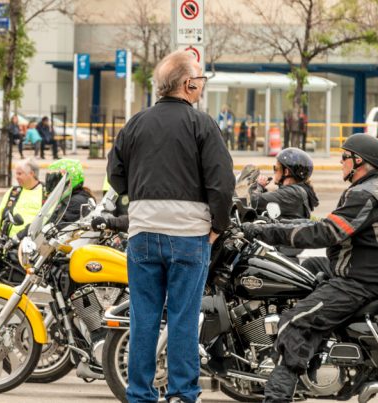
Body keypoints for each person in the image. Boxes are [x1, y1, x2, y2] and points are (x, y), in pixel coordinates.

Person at [106, 50, 234, 403]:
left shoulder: (135, 123)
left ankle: (139, 395)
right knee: (182, 318)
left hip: (143, 232)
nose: (202, 86)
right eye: (200, 80)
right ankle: (181, 394)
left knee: (143, 318)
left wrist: (142, 196)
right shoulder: (203, 125)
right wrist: (217, 227)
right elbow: (222, 183)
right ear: (188, 83)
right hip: (190, 236)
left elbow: (115, 175)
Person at [241, 134, 378, 403]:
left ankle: (277, 396)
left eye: (344, 157)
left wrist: (267, 232)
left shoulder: (365, 194)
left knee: (294, 322)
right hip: (358, 268)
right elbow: (321, 226)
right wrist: (267, 228)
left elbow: (325, 233)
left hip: (362, 280)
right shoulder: (372, 187)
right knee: (302, 272)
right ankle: (314, 353)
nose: (341, 161)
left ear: (359, 161)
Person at [248, 147, 319, 220]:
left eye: (276, 168)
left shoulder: (294, 193)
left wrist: (258, 186)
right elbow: (271, 203)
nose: (275, 172)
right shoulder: (296, 191)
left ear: (286, 172)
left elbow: (256, 202)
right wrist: (263, 190)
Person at [0, 158, 43, 238]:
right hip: (8, 242)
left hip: (32, 242)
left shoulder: (45, 193)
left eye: (19, 174)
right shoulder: (13, 191)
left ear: (31, 174)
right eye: (16, 174)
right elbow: (0, 215)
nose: (16, 177)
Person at [45, 158, 96, 225]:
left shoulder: (75, 202)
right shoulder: (69, 198)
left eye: (60, 180)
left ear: (70, 181)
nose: (55, 184)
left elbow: (58, 226)